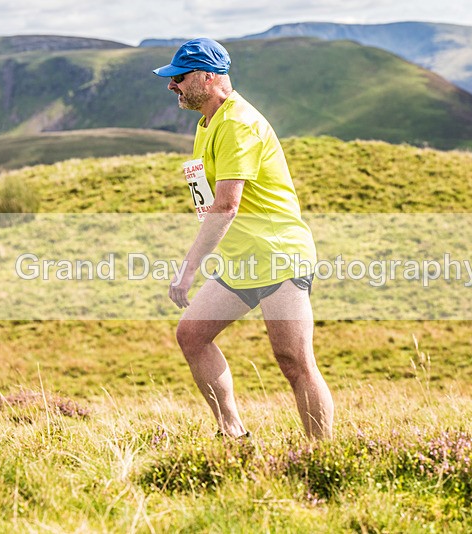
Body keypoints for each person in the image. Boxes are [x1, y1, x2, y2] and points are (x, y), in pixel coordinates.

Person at [153, 38, 333, 440]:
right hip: (243, 260)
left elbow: (225, 206)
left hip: (278, 256)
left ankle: (322, 456)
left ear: (208, 76)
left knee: (294, 360)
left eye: (178, 78)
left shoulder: (237, 123)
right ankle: (232, 435)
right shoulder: (207, 122)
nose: (171, 86)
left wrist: (188, 271)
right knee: (192, 336)